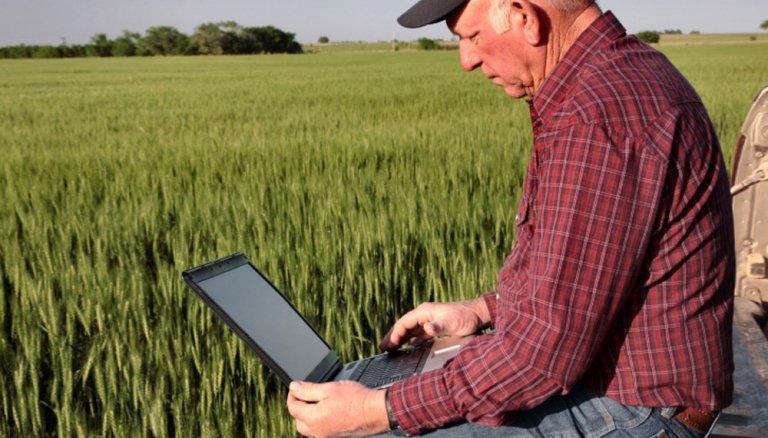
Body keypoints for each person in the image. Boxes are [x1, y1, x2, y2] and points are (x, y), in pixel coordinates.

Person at [287, 0, 736, 436]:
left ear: (524, 16)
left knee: (370, 431)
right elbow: (580, 284)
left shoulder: (599, 117)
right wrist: (482, 310)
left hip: (637, 411)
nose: (466, 60)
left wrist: (376, 409)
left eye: (471, 36)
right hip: (618, 388)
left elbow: (540, 355)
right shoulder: (607, 82)